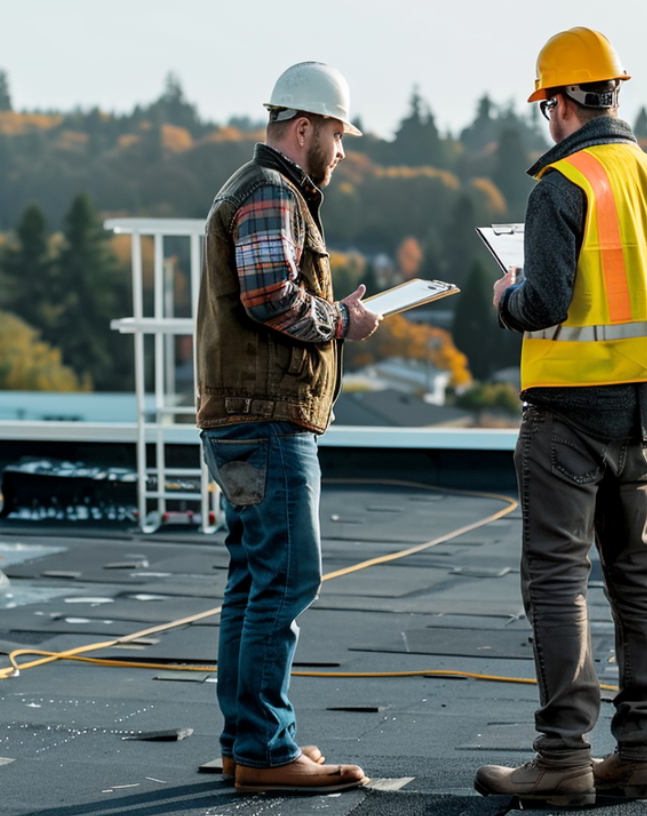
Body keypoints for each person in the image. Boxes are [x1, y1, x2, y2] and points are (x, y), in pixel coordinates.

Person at [474, 27, 647, 806]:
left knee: (557, 580)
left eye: (546, 104)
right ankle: (642, 754)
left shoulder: (562, 185)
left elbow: (543, 302)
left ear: (563, 101)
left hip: (571, 415)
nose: (547, 120)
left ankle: (564, 758)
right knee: (640, 575)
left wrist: (505, 296)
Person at [195, 61, 380, 795]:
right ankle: (268, 750)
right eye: (337, 135)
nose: (341, 151)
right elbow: (272, 296)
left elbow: (268, 293)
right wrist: (344, 320)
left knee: (253, 580)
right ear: (303, 128)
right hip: (269, 423)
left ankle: (248, 742)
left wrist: (335, 312)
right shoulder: (272, 194)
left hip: (241, 421)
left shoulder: (254, 191)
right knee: (286, 580)